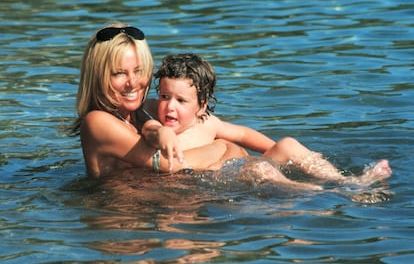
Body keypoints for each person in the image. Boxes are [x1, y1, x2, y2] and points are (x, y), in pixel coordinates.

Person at [142, 53, 392, 189]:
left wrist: (276, 153)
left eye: (181, 101)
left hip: (244, 166)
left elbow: (242, 135)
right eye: (164, 96)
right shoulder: (157, 123)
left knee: (289, 144)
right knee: (262, 169)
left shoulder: (207, 122)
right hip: (223, 179)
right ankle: (313, 192)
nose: (170, 107)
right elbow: (144, 120)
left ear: (202, 105)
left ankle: (345, 181)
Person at [70, 23, 248, 179]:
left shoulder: (142, 112)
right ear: (97, 77)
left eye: (139, 70)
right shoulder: (97, 122)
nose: (132, 82)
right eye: (119, 73)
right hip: (118, 215)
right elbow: (170, 165)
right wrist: (225, 147)